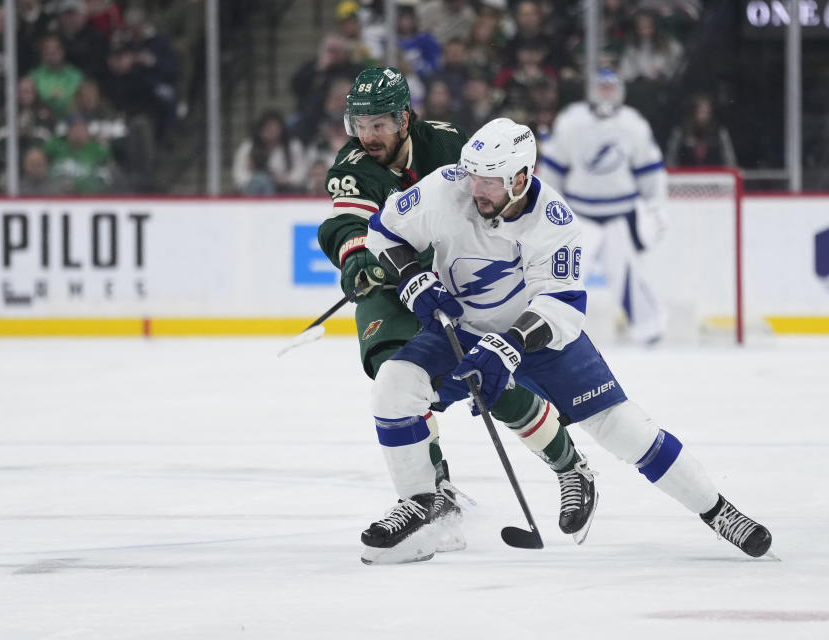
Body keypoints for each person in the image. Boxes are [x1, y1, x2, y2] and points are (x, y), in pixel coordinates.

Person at [360, 117, 772, 565]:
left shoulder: (553, 222)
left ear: (521, 179)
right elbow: (384, 231)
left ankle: (718, 511)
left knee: (624, 429)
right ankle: (424, 505)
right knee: (394, 387)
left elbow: (561, 305)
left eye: (490, 182)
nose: (476, 189)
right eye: (473, 175)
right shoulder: (448, 187)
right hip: (461, 328)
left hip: (539, 335)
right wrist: (413, 277)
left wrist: (508, 346)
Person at [319, 67, 592, 559]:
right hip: (392, 281)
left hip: (452, 277)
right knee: (395, 374)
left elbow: (487, 202)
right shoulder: (353, 163)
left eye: (378, 124)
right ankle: (434, 495)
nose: (366, 135)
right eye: (358, 123)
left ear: (404, 118)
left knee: (484, 379)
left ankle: (568, 464)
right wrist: (359, 258)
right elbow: (346, 224)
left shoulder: (447, 144)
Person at [538, 70, 667, 345]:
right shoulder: (572, 120)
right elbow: (553, 170)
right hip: (578, 215)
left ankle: (649, 329)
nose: (606, 92)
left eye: (611, 87)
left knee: (625, 275)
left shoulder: (633, 124)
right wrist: (548, 208)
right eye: (602, 87)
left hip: (620, 215)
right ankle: (553, 330)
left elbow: (650, 172)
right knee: (567, 276)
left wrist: (655, 209)